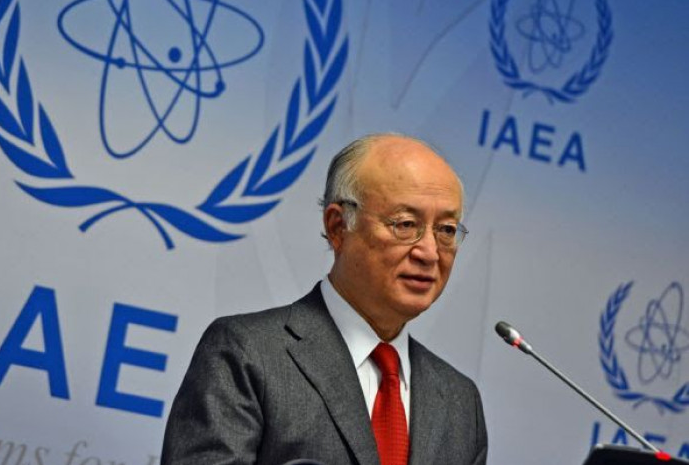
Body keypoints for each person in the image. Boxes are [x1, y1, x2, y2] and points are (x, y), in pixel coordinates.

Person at [161, 134, 487, 465]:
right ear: (338, 226)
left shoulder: (461, 404)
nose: (430, 252)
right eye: (405, 224)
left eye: (446, 230)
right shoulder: (247, 353)